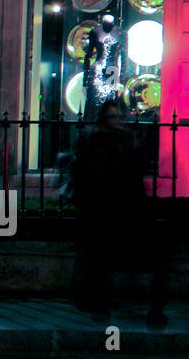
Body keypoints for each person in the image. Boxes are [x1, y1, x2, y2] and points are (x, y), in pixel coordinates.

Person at [70, 99, 168, 327]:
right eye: (113, 116)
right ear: (104, 118)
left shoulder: (125, 139)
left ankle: (107, 301)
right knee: (101, 256)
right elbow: (96, 173)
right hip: (104, 206)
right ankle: (100, 300)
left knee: (112, 256)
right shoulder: (98, 140)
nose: (118, 121)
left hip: (120, 205)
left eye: (119, 116)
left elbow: (134, 171)